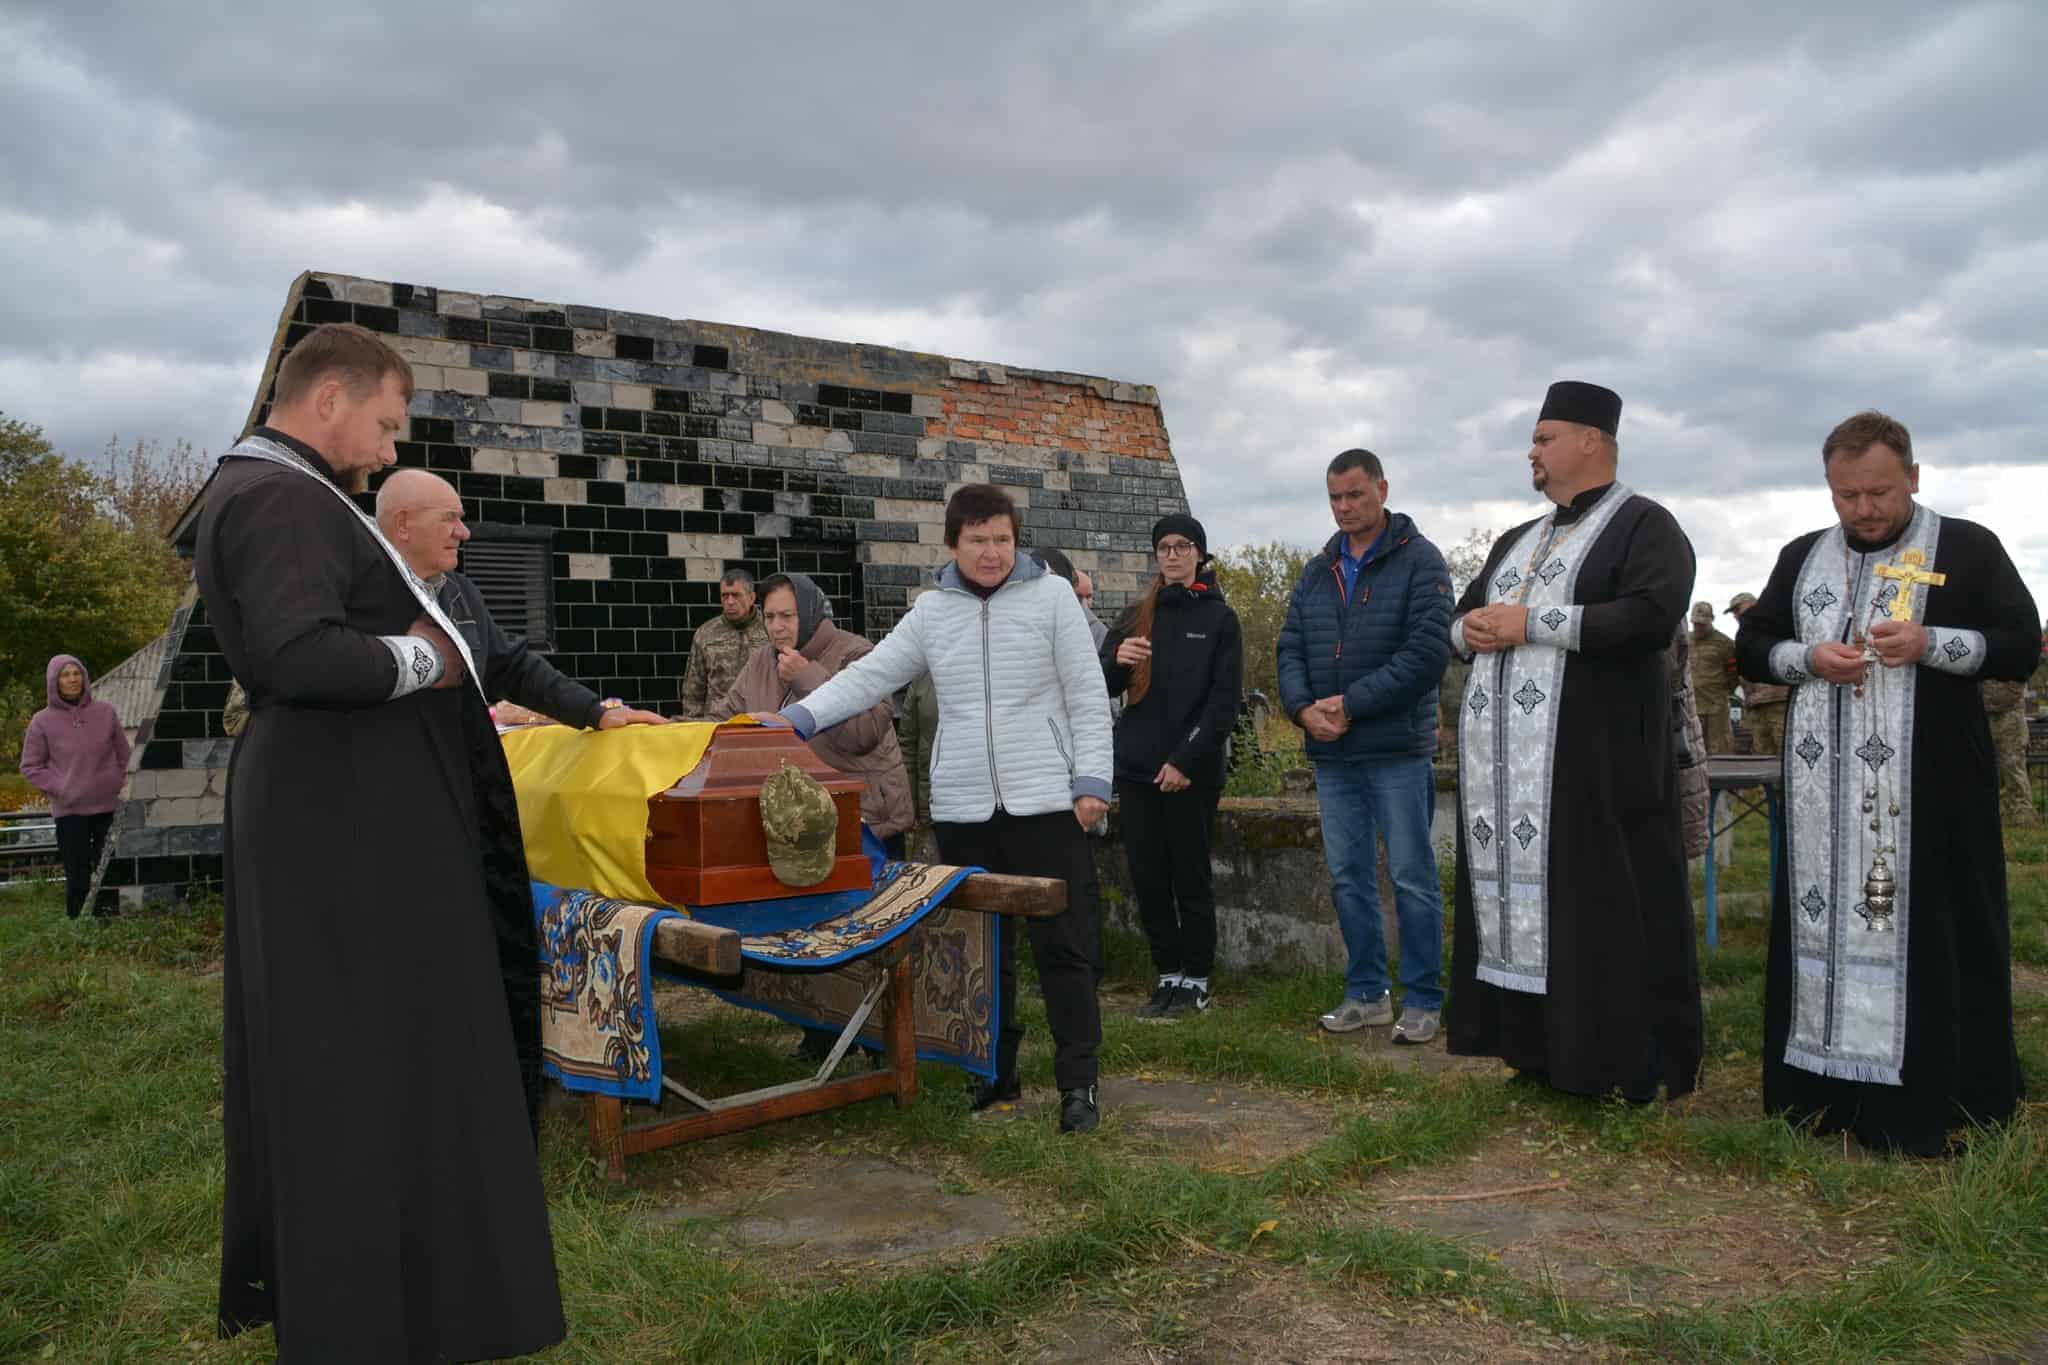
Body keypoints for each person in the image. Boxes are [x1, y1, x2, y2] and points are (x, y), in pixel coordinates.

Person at [191, 322, 566, 1358]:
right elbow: (296, 654)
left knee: (379, 1061)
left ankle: (405, 1284)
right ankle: (361, 1299)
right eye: (388, 424)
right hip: (339, 841)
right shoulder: (278, 495)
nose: (393, 448)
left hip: (353, 828)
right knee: (348, 1066)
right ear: (329, 400)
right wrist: (425, 660)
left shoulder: (290, 493)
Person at [1735, 410, 2038, 1154]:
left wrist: (1932, 643)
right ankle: (1820, 1095)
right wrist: (1809, 658)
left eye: (1877, 492)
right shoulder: (1802, 556)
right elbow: (1753, 644)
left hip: (1933, 793)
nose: (1863, 510)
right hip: (1821, 804)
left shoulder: (1966, 548)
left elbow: (2022, 643)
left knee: (1937, 927)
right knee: (1818, 925)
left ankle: (1944, 1100)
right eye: (1846, 496)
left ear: (1912, 477)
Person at [779, 485, 1114, 1134]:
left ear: (1016, 541)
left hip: (1046, 801)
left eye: (1002, 539)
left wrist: (1091, 780)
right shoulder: (932, 612)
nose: (991, 553)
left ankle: (1080, 1083)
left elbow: (1086, 692)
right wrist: (795, 718)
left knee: (1065, 948)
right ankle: (996, 1075)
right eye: (977, 540)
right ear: (952, 544)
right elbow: (869, 676)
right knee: (984, 949)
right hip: (964, 807)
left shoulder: (1050, 598)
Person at [1445, 381, 1701, 1101]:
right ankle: (1536, 1050)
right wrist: (1476, 630)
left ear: (1593, 440)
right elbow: (1459, 621)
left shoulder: (1645, 525)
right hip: (1514, 779)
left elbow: (1652, 615)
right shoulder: (1517, 538)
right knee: (1536, 905)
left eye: (1544, 436)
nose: (1532, 450)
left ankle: (1625, 1061)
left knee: (1606, 908)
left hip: (1601, 767)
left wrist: (1532, 623)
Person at [1277, 448, 1451, 1044]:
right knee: (1348, 875)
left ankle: (1425, 998)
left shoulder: (1421, 562)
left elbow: (1427, 654)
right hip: (1333, 754)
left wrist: (1350, 704)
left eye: (1355, 495)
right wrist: (1303, 710)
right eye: (1334, 497)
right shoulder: (1317, 569)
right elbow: (1290, 647)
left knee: (1410, 875)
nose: (1344, 508)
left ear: (1382, 488)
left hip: (1396, 749)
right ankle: (1367, 993)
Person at [375, 468, 665, 733]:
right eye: (449, 517)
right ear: (403, 524)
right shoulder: (356, 590)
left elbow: (511, 668)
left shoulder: (460, 591)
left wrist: (594, 713)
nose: (464, 532)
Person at [1101, 515, 1243, 1020]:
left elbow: (1224, 705)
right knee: (1148, 877)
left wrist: (1185, 760)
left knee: (1190, 876)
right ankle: (1167, 974)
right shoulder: (1137, 615)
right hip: (1137, 769)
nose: (1174, 555)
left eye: (1184, 546)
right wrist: (1120, 659)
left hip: (1192, 772)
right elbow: (1103, 686)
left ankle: (1197, 979)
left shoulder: (1221, 620)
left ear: (1200, 554)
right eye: (1164, 547)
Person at [708, 572, 912, 856]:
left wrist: (807, 678)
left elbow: (865, 733)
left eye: (787, 616)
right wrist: (662, 724)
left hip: (865, 823)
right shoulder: (761, 663)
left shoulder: (855, 652)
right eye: (769, 617)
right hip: (796, 824)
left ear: (810, 613)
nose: (776, 627)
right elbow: (722, 720)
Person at [20, 654, 130, 918]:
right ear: (54, 682)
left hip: (107, 807)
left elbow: (125, 756)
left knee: (110, 871)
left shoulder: (105, 712)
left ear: (84, 677)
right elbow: (30, 767)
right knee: (77, 875)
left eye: (76, 673)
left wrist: (116, 781)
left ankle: (109, 923)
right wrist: (62, 787)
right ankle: (78, 928)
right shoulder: (41, 721)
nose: (72, 679)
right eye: (65, 675)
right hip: (70, 813)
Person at [677, 569, 770, 718]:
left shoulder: (770, 629)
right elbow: (693, 688)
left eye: (736, 595)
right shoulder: (706, 633)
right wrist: (693, 724)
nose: (730, 602)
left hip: (760, 718)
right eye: (725, 596)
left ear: (752, 597)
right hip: (718, 720)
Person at [1726, 593, 1787, 759]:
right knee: (1760, 757)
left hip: (1779, 703)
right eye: (1733, 612)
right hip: (1755, 706)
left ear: (1753, 605)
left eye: (1738, 609)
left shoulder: (1776, 626)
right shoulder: (1742, 637)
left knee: (1784, 755)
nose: (1736, 615)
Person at [1982, 680, 2038, 827]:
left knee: (2013, 767)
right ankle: (1995, 814)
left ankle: (2022, 816)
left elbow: (2018, 680)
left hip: (2010, 714)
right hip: (1984, 712)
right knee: (1985, 768)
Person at [1688, 600, 1736, 752]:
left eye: (1702, 623)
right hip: (1692, 707)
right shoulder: (1686, 640)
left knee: (1720, 750)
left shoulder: (1724, 643)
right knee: (1694, 751)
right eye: (1695, 623)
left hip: (1716, 707)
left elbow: (1733, 674)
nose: (1698, 627)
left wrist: (1723, 692)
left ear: (1711, 620)